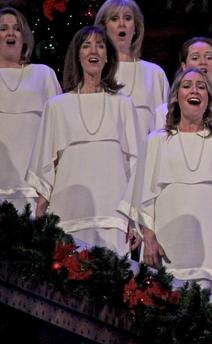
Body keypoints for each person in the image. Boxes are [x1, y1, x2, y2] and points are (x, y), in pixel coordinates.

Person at [26, 26, 140, 255]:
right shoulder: (57, 106)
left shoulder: (123, 104)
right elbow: (47, 165)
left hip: (112, 215)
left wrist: (134, 218)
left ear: (108, 56)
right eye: (86, 45)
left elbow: (135, 165)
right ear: (77, 55)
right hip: (69, 213)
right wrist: (40, 215)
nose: (93, 50)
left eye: (99, 45)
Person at [128, 68, 212, 290]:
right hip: (165, 250)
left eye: (201, 86)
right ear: (177, 96)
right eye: (187, 85)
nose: (194, 90)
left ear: (208, 98)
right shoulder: (156, 141)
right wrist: (148, 237)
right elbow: (142, 198)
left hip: (211, 253)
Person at [0, 7, 61, 212]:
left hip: (35, 193)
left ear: (24, 37)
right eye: (3, 28)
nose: (10, 33)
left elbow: (59, 133)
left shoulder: (43, 75)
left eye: (16, 29)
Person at [95, 0, 169, 136]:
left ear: (135, 27)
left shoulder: (154, 74)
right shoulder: (97, 73)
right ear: (104, 27)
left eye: (128, 18)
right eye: (114, 18)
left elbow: (166, 123)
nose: (121, 24)